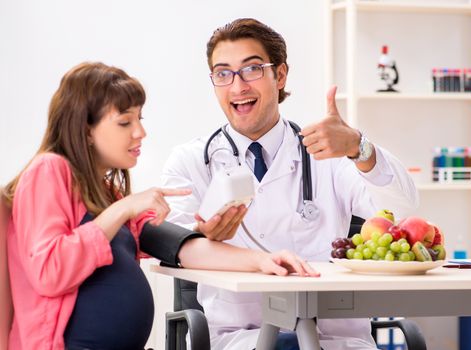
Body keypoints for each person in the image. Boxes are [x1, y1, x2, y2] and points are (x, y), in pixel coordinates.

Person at [2, 62, 318, 350]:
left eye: (139, 119)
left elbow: (180, 249)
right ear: (86, 130)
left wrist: (262, 260)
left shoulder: (106, 192)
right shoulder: (49, 170)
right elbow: (49, 272)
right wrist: (123, 209)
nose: (140, 132)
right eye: (124, 122)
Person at [161, 18, 419, 350]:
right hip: (242, 337)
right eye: (223, 74)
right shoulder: (192, 160)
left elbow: (401, 209)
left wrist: (359, 147)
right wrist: (203, 239)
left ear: (280, 75)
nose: (237, 87)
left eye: (252, 69)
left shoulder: (329, 150)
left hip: (334, 338)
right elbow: (173, 245)